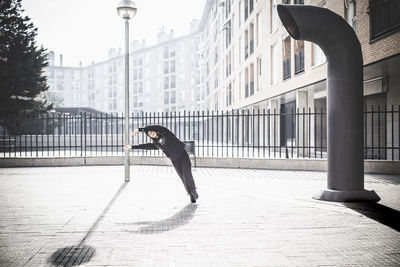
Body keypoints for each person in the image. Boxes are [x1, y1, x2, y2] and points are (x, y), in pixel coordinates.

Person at [124, 125, 199, 203]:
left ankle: (193, 191)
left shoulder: (166, 133)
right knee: (182, 176)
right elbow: (147, 146)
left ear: (155, 131)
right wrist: (132, 147)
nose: (151, 134)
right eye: (149, 134)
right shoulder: (156, 143)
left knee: (187, 174)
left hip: (183, 154)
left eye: (151, 132)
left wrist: (140, 130)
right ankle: (190, 193)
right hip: (174, 159)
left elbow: (158, 127)